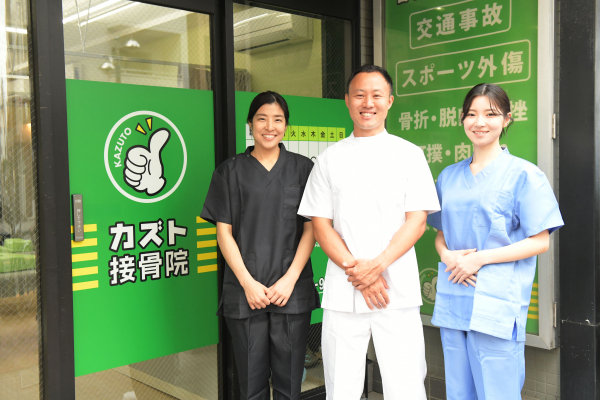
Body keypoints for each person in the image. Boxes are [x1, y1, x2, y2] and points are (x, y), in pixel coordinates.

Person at [298, 64, 440, 399]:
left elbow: (417, 222)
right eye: (359, 95)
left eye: (376, 95)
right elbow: (320, 225)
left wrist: (376, 267)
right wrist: (359, 271)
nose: (368, 103)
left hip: (395, 290)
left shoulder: (410, 155)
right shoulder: (329, 159)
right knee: (341, 387)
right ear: (347, 101)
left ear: (390, 100)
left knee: (405, 385)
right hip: (344, 289)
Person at [427, 83, 564, 399]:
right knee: (459, 391)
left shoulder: (524, 175)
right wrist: (446, 256)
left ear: (506, 119)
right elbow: (441, 234)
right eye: (471, 114)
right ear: (462, 119)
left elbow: (540, 242)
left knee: (498, 392)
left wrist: (480, 259)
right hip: (455, 295)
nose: (480, 122)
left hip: (497, 301)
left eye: (490, 114)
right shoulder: (448, 177)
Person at [201, 91, 320, 400]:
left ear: (286, 126)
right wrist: (247, 283)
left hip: (290, 291)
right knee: (250, 385)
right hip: (246, 293)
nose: (270, 127)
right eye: (262, 119)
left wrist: (290, 279)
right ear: (250, 124)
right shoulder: (229, 172)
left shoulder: (303, 169)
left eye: (278, 120)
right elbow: (223, 233)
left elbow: (311, 229)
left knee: (289, 384)